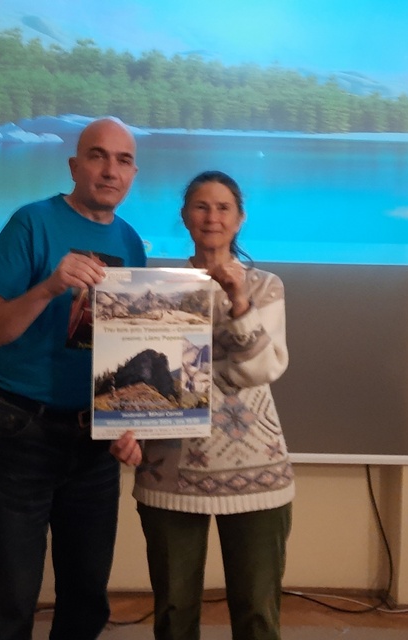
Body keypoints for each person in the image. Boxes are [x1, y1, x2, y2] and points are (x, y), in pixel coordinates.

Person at [0, 117, 145, 640]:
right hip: (18, 429)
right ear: (74, 165)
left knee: (87, 598)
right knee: (11, 597)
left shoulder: (131, 242)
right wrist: (48, 288)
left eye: (123, 160)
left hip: (94, 439)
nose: (110, 170)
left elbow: (130, 347)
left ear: (133, 173)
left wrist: (133, 422)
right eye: (97, 156)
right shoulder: (31, 223)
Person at [113, 170, 295, 640]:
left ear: (240, 219)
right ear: (184, 216)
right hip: (168, 471)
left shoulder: (265, 286)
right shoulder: (155, 288)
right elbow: (142, 372)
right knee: (174, 614)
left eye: (223, 208)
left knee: (257, 615)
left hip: (255, 470)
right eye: (201, 206)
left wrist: (238, 301)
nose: (212, 217)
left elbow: (259, 370)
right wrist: (125, 426)